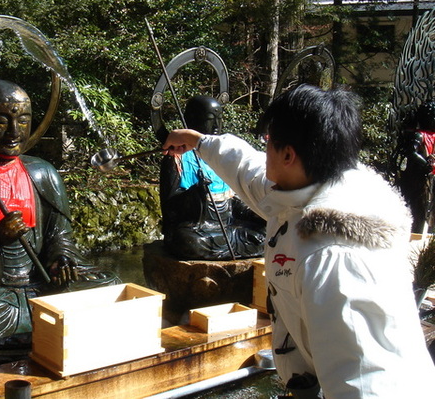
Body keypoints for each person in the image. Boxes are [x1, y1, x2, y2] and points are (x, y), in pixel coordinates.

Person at [162, 84, 435, 397]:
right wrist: (199, 142)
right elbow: (249, 171)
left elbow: (365, 378)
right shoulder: (317, 184)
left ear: (288, 154)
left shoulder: (335, 257)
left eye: (268, 143)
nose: (263, 150)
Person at [0, 79, 117, 348]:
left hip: (41, 280)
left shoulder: (42, 172)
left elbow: (60, 235)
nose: (14, 131)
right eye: (2, 121)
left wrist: (61, 261)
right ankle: (41, 319)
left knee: (108, 285)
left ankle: (33, 319)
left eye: (24, 120)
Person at [160, 95, 265, 260]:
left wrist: (252, 211)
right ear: (192, 120)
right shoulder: (176, 157)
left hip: (227, 223)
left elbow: (233, 200)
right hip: (198, 226)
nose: (216, 126)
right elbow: (170, 209)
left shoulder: (222, 154)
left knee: (265, 228)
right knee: (187, 241)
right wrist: (196, 194)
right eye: (210, 119)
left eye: (219, 119)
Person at [396, 100, 435, 233]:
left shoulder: (432, 136)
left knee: (427, 207)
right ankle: (412, 231)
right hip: (416, 177)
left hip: (429, 176)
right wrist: (425, 164)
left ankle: (424, 230)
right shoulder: (418, 135)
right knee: (416, 206)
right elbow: (411, 152)